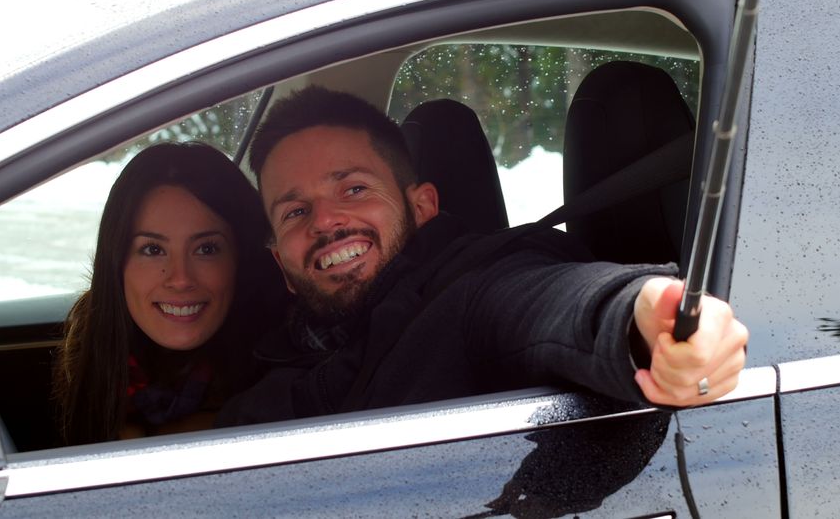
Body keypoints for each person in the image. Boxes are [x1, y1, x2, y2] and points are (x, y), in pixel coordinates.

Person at [219, 87, 747, 424]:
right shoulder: (277, 356)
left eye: (354, 189)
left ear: (422, 205)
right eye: (294, 212)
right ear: (280, 266)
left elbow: (549, 303)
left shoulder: (473, 291)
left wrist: (645, 323)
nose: (326, 221)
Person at [53, 142, 285, 445]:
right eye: (153, 249)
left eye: (206, 249)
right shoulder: (95, 349)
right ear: (117, 260)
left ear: (242, 259)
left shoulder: (289, 368)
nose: (180, 279)